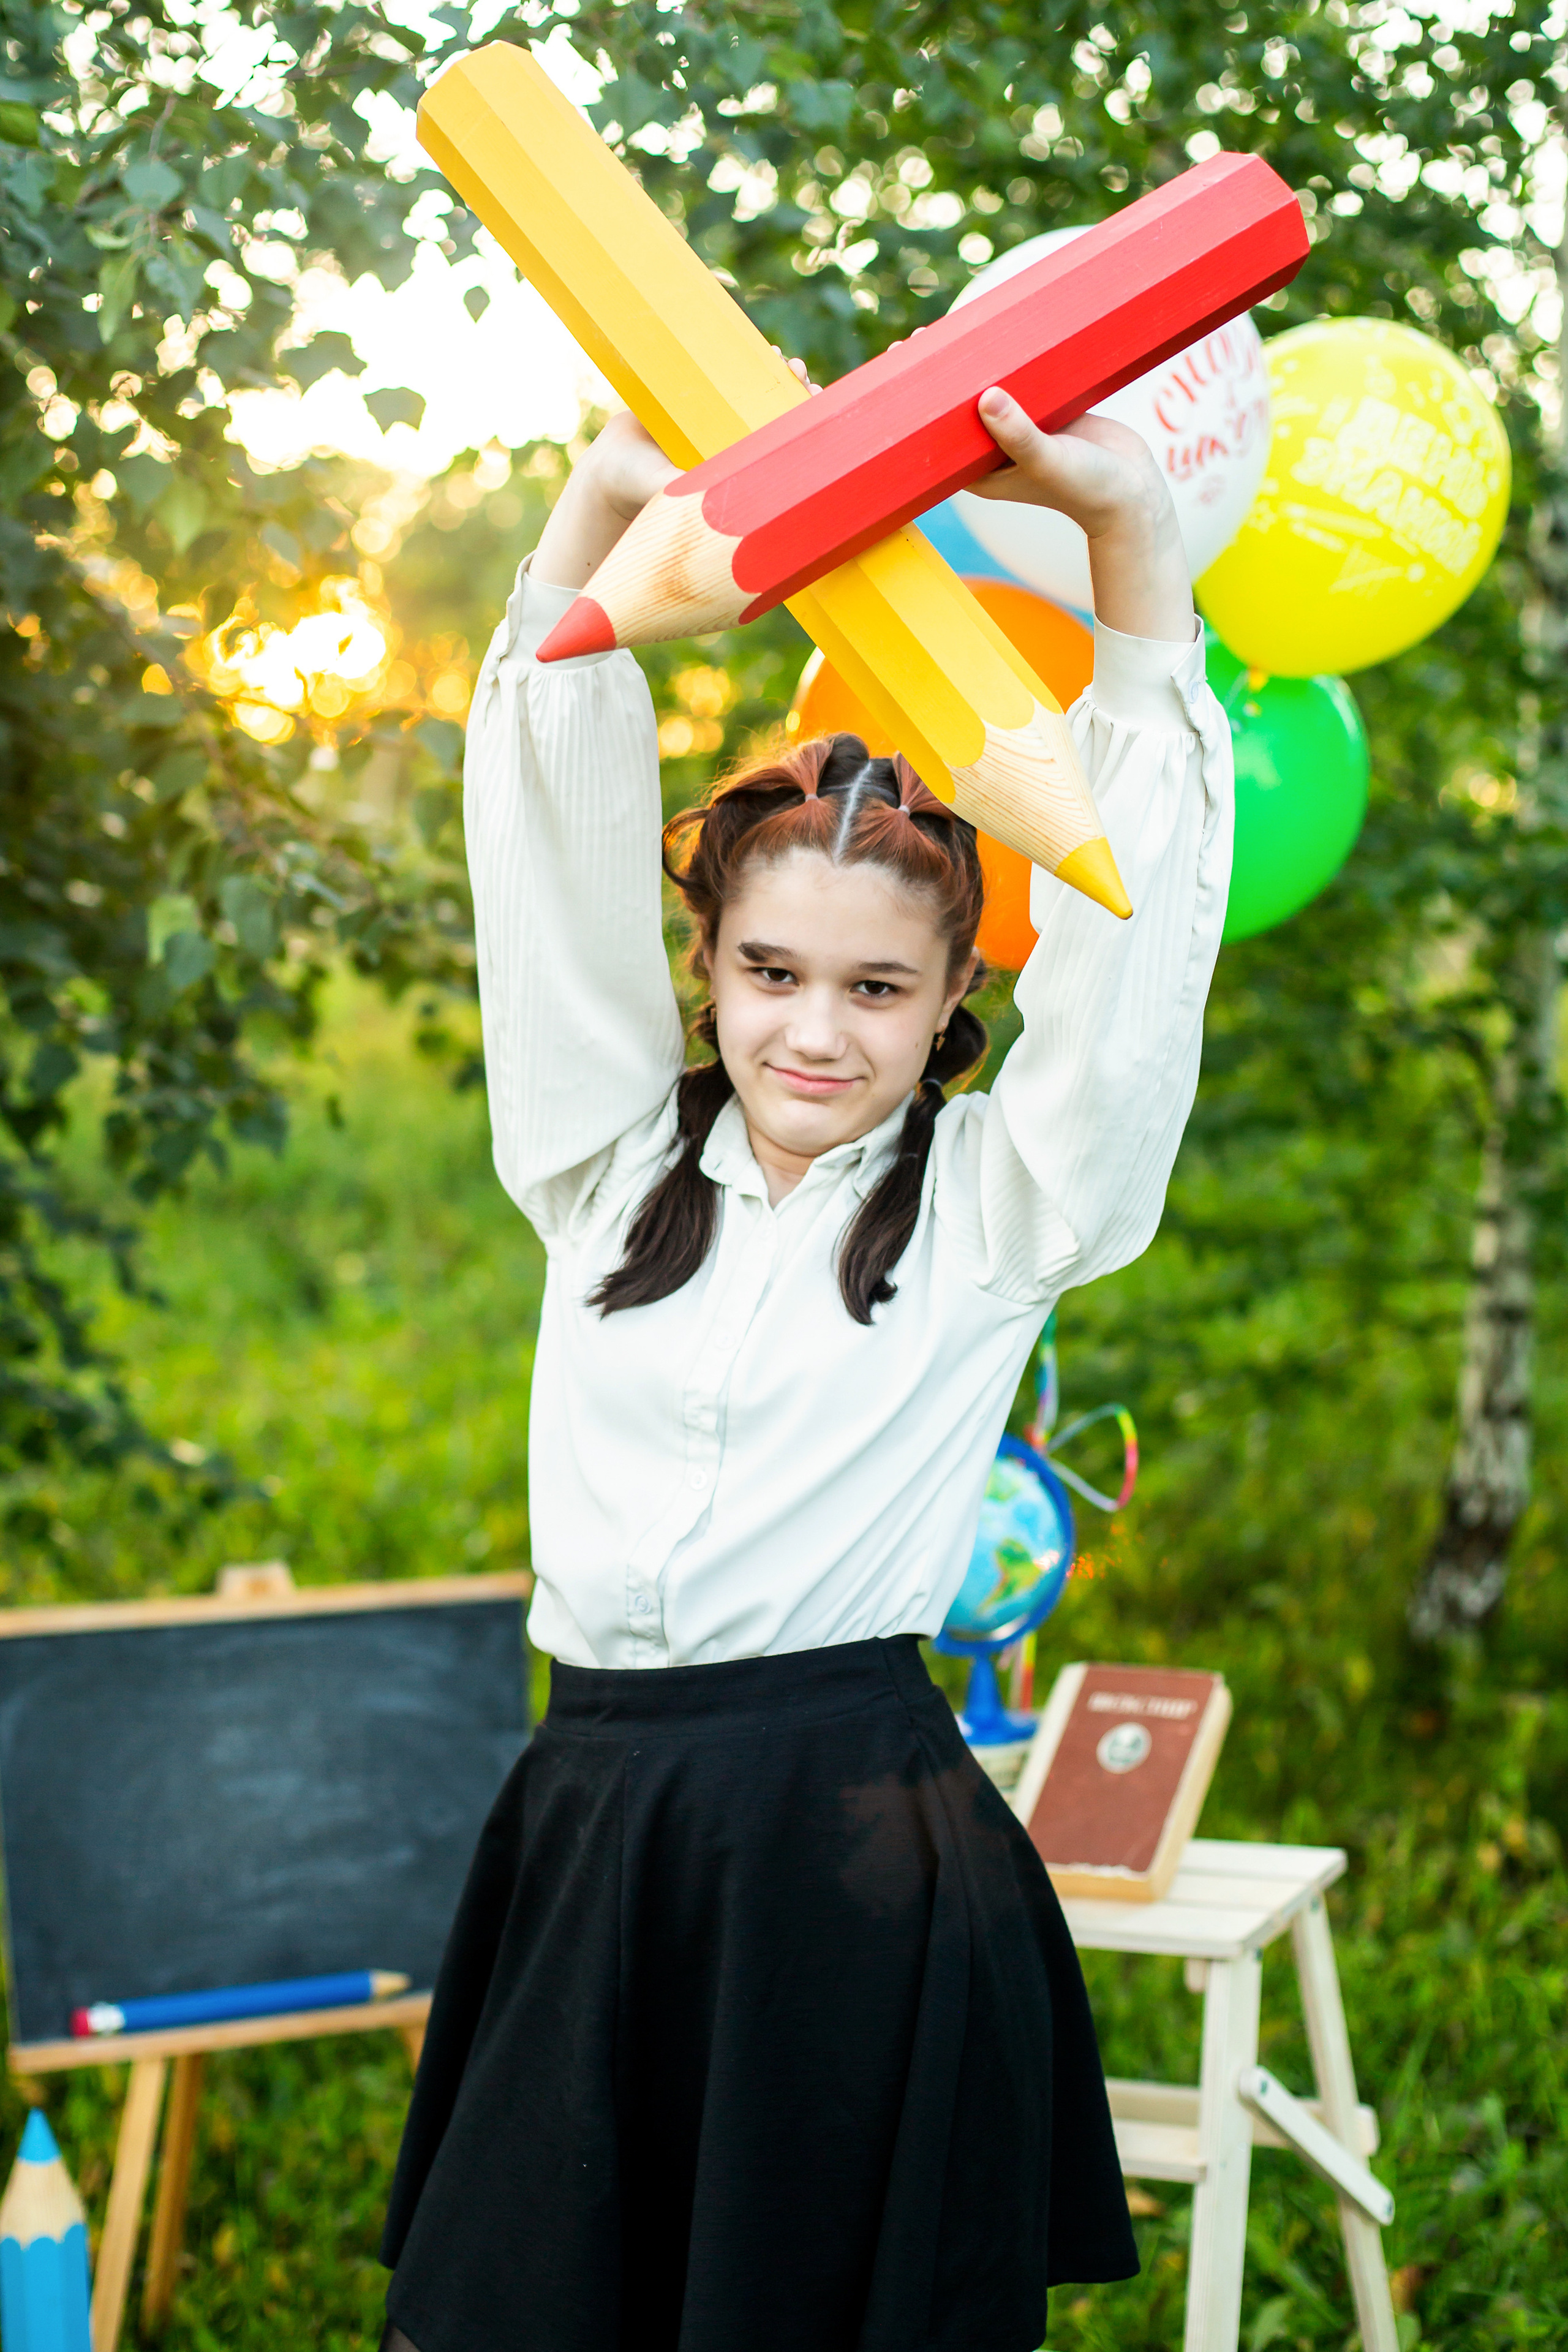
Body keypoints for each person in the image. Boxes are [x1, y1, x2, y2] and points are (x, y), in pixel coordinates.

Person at [379, 377, 1232, 2352]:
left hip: (848, 1853)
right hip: (599, 1819)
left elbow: (1140, 960)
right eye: (771, 973)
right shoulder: (601, 1167)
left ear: (953, 1002)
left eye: (875, 988)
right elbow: (539, 867)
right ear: (712, 972)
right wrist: (590, 512)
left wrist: (1131, 558)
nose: (814, 1030)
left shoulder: (1004, 1206)